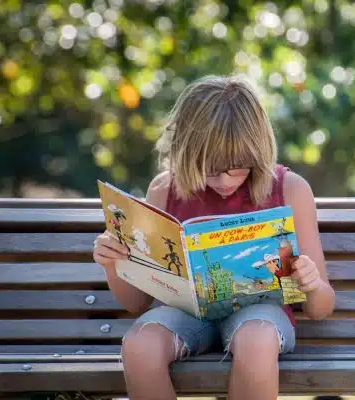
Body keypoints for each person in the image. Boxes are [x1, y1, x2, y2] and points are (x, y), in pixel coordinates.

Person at [92, 74, 336, 400]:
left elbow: (322, 307)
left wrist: (311, 283)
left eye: (237, 168)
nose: (223, 180)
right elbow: (137, 304)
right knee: (139, 345)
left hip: (260, 315)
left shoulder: (288, 189)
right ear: (185, 153)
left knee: (257, 340)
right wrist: (114, 264)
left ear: (258, 152)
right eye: (210, 168)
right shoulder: (165, 190)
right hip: (185, 314)